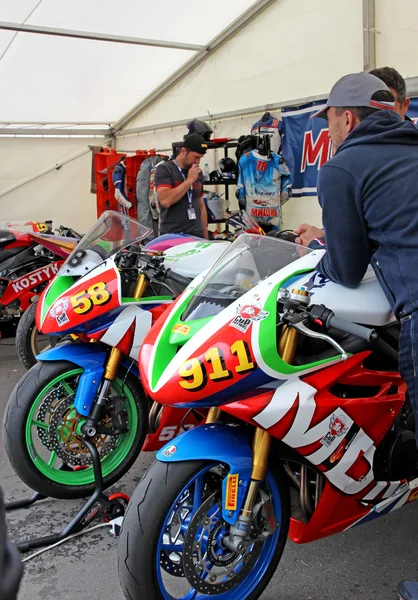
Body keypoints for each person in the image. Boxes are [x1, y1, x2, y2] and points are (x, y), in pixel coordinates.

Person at [293, 72, 418, 453]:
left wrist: (317, 247)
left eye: (329, 120)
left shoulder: (341, 167)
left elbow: (346, 269)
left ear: (347, 118)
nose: (329, 132)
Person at [154, 134, 209, 239]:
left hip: (196, 234)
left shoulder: (197, 172)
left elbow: (201, 205)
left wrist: (205, 235)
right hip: (172, 235)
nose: (198, 162)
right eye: (196, 157)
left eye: (200, 158)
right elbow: (165, 200)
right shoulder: (165, 169)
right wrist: (189, 180)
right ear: (184, 151)